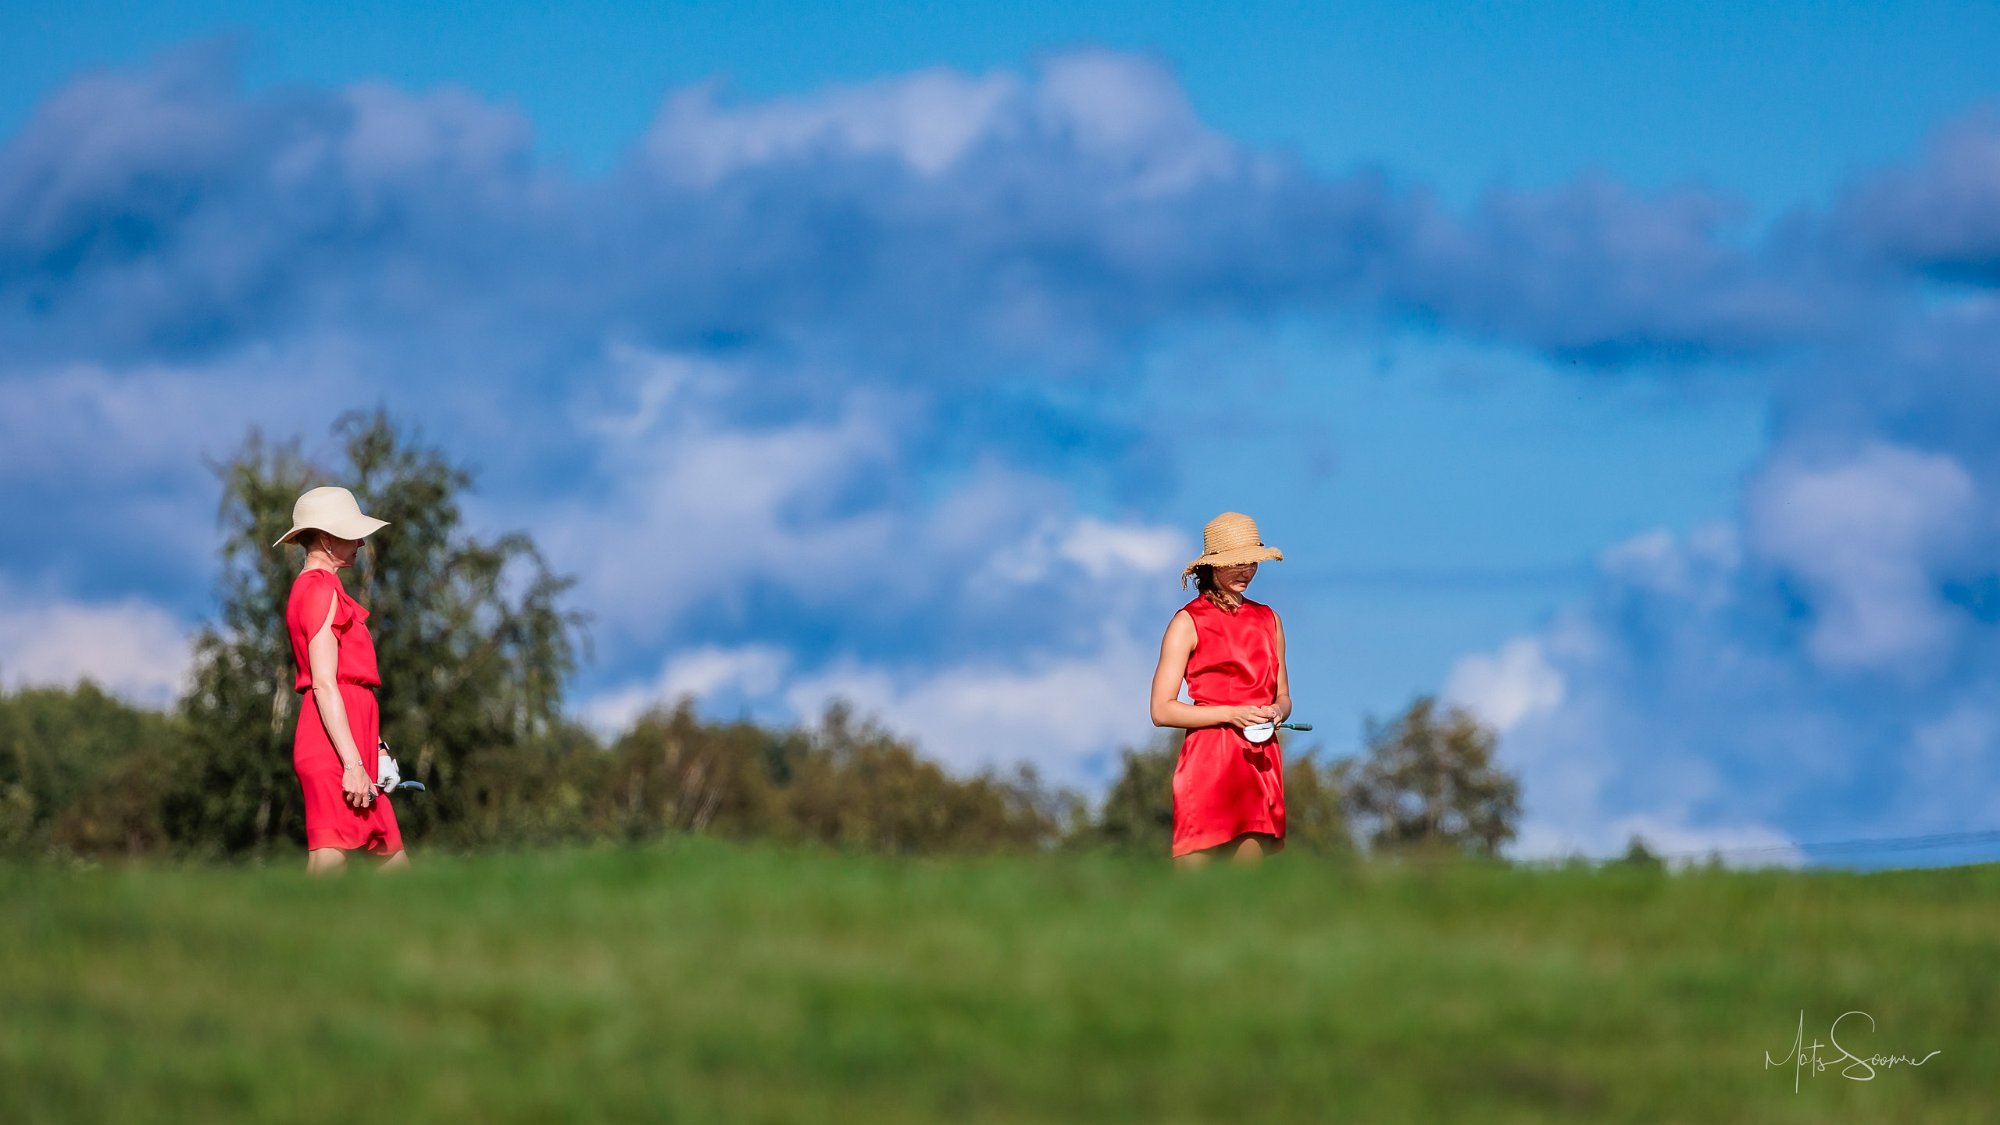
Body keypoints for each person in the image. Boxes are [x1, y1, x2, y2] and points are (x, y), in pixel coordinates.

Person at [276, 486, 409, 875]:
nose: (362, 542)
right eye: (351, 534)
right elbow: (324, 683)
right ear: (324, 537)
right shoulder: (318, 589)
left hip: (352, 743)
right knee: (329, 863)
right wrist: (353, 762)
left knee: (394, 863)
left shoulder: (325, 588)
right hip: (333, 750)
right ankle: (294, 937)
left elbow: (349, 685)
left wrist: (377, 749)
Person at [1149, 511, 1291, 867]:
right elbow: (1161, 710)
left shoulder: (1269, 619)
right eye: (1236, 563)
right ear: (1211, 566)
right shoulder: (1187, 622)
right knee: (1194, 895)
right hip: (1209, 760)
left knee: (1250, 893)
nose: (1246, 571)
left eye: (1252, 563)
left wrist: (1277, 712)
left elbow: (1283, 696)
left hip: (1260, 761)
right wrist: (1232, 714)